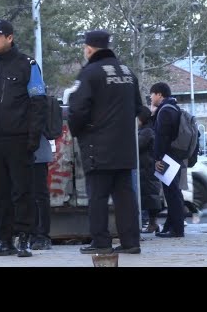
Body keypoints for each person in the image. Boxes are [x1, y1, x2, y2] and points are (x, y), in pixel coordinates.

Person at [68, 30, 143, 255]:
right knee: (125, 196)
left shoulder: (89, 73)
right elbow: (138, 108)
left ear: (89, 48)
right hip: (126, 146)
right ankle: (130, 242)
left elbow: (78, 110)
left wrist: (77, 131)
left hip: (97, 146)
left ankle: (101, 242)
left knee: (98, 196)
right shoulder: (128, 73)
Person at [0, 19, 47, 257]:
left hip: (19, 140)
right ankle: (5, 240)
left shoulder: (27, 65)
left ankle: (25, 238)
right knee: (0, 195)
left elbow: (39, 103)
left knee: (22, 192)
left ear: (10, 37)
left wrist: (33, 138)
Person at [150, 82, 185, 238]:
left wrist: (158, 158)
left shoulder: (165, 111)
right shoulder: (174, 108)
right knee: (173, 192)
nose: (151, 98)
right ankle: (170, 226)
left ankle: (176, 229)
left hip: (167, 157)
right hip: (175, 156)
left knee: (171, 193)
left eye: (152, 94)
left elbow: (161, 137)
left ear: (159, 94)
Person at [137, 106, 162, 233]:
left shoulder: (146, 131)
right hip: (146, 168)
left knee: (151, 197)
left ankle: (153, 224)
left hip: (147, 168)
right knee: (149, 196)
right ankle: (152, 224)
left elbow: (137, 145)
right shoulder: (146, 130)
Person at [30, 134, 53, 250]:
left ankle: (42, 235)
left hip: (36, 151)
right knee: (29, 196)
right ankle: (33, 233)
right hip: (21, 152)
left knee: (39, 195)